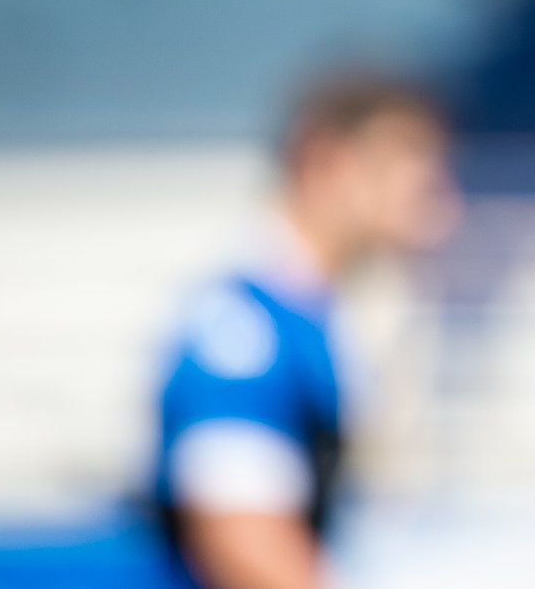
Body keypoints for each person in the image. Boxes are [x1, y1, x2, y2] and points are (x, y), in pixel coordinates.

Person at [150, 70, 459, 589]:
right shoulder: (244, 331)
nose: (438, 203)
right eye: (412, 163)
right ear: (325, 160)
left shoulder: (311, 317)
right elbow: (241, 539)